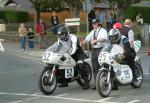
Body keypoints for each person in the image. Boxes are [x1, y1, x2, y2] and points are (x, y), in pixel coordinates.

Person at [56, 25, 90, 90]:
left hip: (78, 53)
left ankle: (86, 82)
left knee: (80, 65)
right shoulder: (60, 39)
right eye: (59, 35)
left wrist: (67, 55)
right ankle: (64, 81)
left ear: (66, 34)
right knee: (61, 64)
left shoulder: (73, 37)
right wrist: (55, 53)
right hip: (69, 53)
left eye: (62, 35)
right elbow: (58, 47)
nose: (61, 37)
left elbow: (74, 49)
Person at [80, 19, 108, 90]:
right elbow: (87, 39)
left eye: (95, 23)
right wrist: (83, 42)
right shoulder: (92, 32)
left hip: (101, 49)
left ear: (97, 23)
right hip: (94, 50)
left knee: (103, 65)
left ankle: (106, 82)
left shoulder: (103, 30)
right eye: (92, 24)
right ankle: (97, 84)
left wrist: (96, 40)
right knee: (95, 67)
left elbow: (104, 39)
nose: (93, 25)